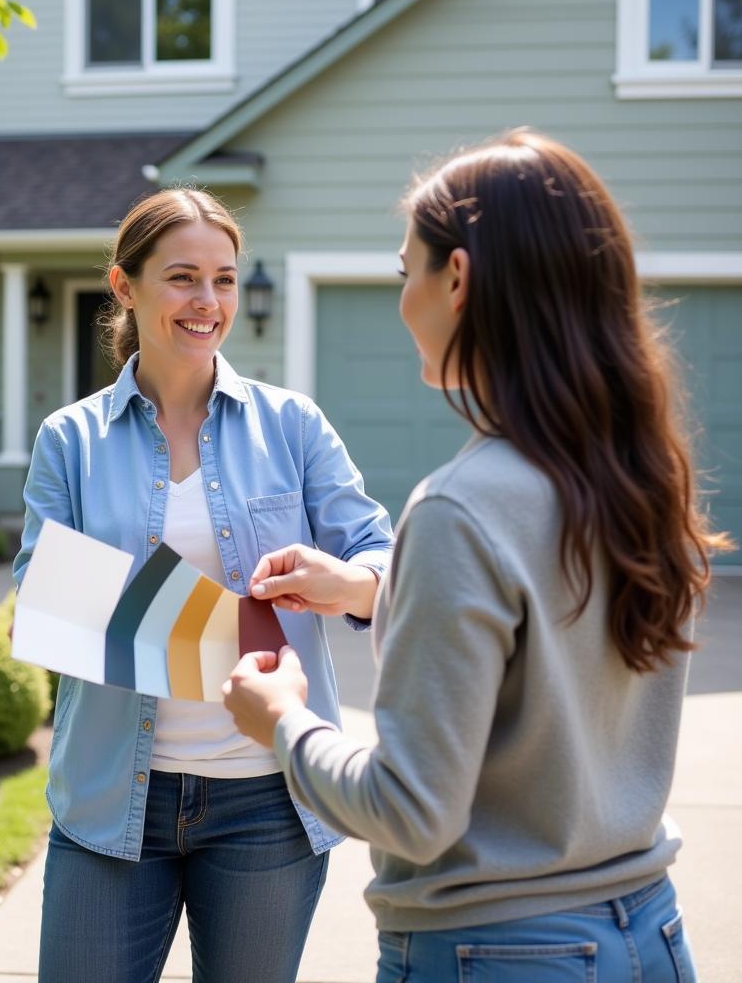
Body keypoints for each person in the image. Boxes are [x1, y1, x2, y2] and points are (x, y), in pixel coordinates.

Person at [223, 130, 731, 982]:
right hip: (648, 937)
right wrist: (366, 589)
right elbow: (546, 655)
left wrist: (283, 720)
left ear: (456, 278)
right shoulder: (635, 475)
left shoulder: (462, 506)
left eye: (403, 271)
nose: (400, 300)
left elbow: (409, 810)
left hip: (496, 952)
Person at [14, 187, 394, 983]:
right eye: (183, 276)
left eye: (223, 279)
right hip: (111, 801)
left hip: (267, 804)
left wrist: (345, 583)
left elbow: (383, 560)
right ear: (125, 286)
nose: (207, 301)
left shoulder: (292, 425)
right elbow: (41, 592)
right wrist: (223, 635)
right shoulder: (71, 440)